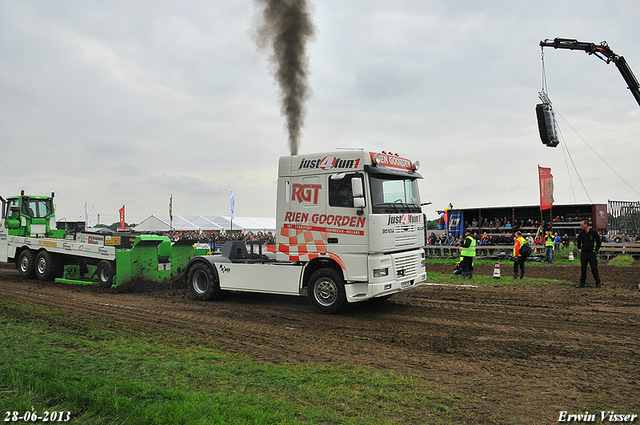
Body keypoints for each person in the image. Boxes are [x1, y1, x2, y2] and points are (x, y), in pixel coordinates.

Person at [576, 220, 602, 288]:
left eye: (582, 224)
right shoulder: (581, 233)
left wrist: (596, 249)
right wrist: (580, 248)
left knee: (594, 268)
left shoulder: (593, 232)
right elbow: (578, 241)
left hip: (591, 253)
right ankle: (582, 283)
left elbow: (599, 241)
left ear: (586, 225)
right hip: (584, 253)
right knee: (583, 268)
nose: (581, 226)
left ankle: (598, 282)